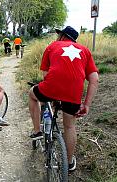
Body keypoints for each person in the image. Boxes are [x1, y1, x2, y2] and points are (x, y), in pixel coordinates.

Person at [28, 26, 99, 172]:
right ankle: (68, 162)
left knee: (32, 94)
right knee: (69, 126)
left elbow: (46, 75)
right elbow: (94, 79)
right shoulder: (85, 50)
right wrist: (87, 105)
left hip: (51, 88)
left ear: (62, 36)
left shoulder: (52, 46)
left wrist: (53, 95)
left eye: (58, 34)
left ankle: (37, 131)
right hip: (73, 94)